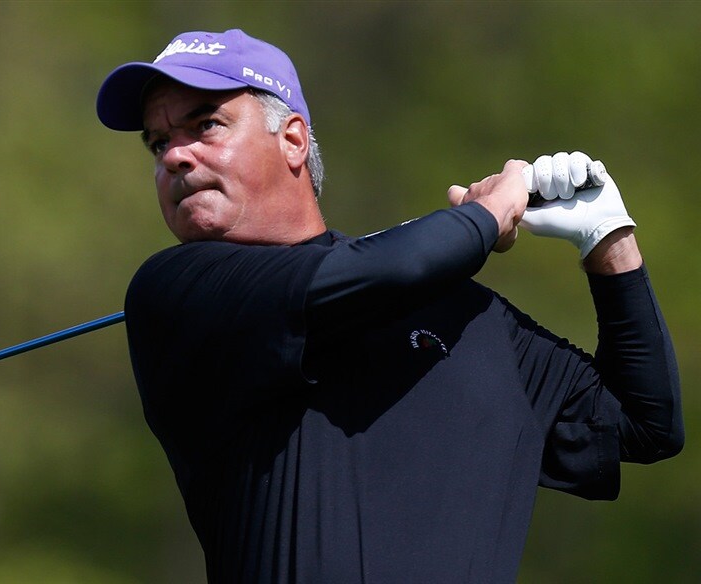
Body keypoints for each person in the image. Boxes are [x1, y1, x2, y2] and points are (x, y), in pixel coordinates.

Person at [96, 29, 683, 583]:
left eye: (206, 125)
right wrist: (488, 212)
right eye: (159, 142)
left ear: (294, 139)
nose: (175, 156)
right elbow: (387, 270)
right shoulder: (177, 290)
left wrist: (608, 240)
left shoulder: (468, 317)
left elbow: (644, 423)